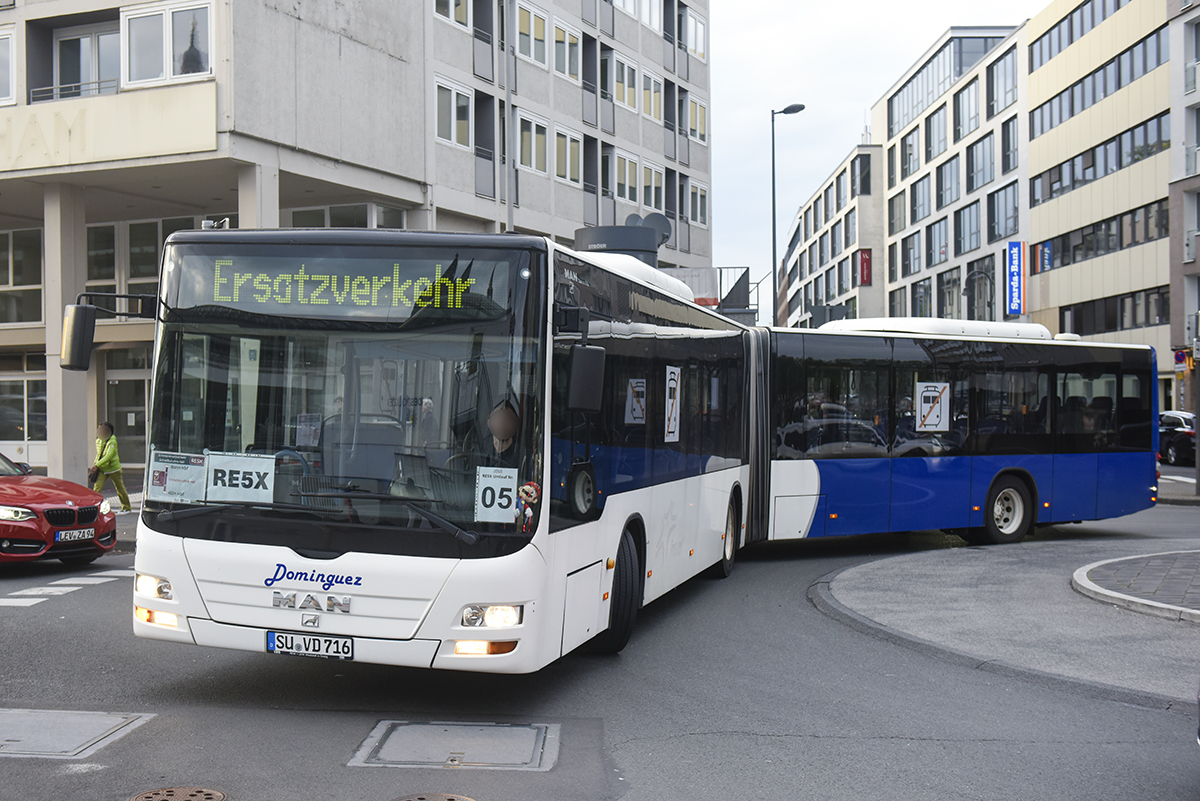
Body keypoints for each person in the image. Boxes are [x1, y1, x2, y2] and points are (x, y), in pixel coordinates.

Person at [92, 422, 132, 513]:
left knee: (120, 488)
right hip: (102, 469)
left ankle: (126, 507)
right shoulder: (98, 441)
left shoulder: (112, 441)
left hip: (114, 469)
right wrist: (95, 465)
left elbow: (108, 455)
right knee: (96, 489)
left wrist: (97, 465)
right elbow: (99, 455)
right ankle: (94, 507)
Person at [483, 399, 521, 468]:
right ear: (489, 423)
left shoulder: (522, 458)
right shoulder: (480, 452)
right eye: (498, 419)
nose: (502, 423)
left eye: (507, 419)